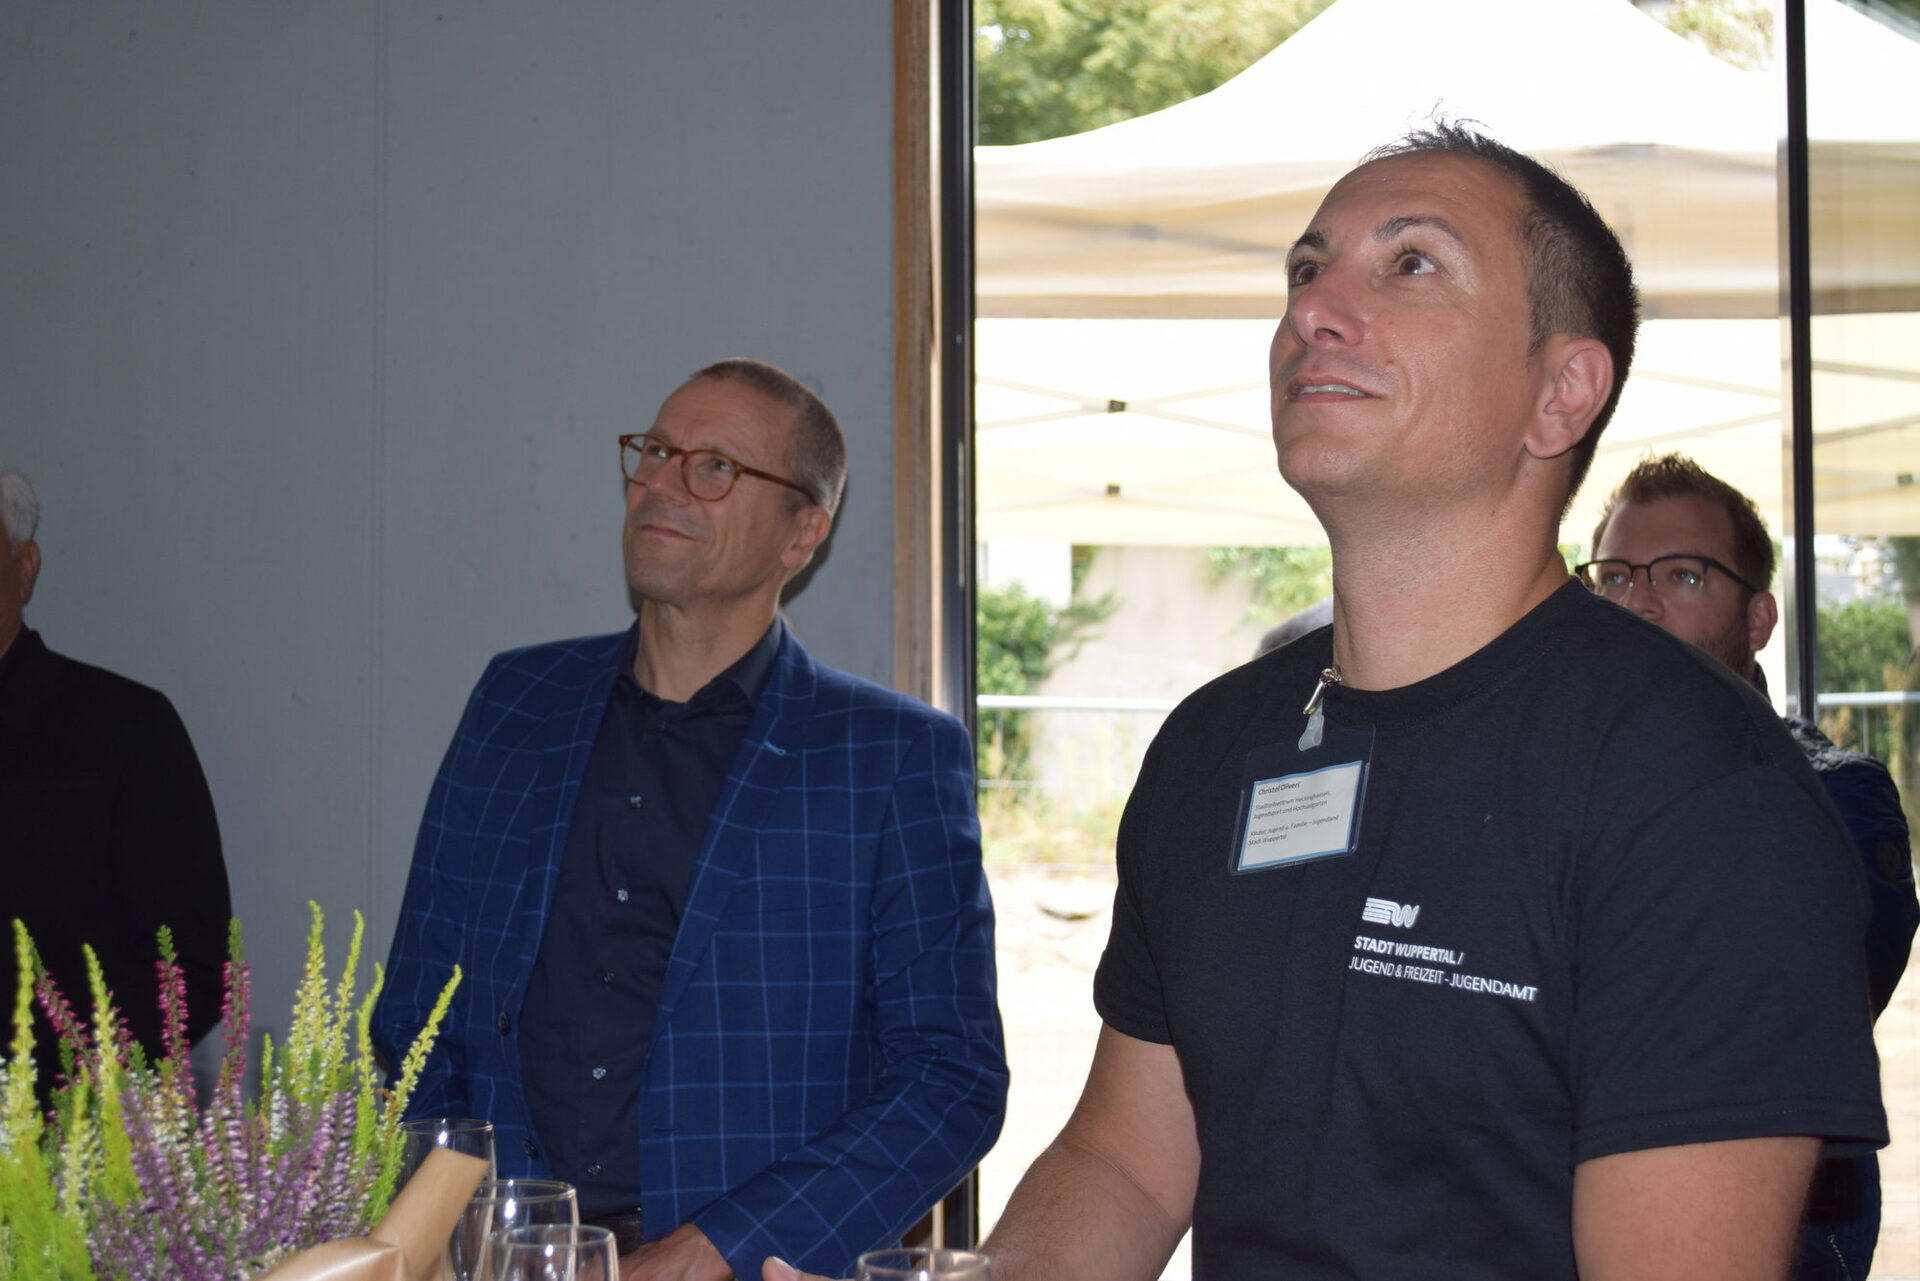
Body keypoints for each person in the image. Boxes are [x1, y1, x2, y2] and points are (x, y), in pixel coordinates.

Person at [769, 126, 1888, 1281]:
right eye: (1306, 269)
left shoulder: (1704, 789)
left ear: (1560, 395)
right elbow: (1128, 1164)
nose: (1313, 309)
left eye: (1412, 264)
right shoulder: (1215, 747)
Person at [372, 359, 1007, 1281]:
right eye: (656, 452)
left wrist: (716, 1249)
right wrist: (451, 1233)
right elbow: (417, 1017)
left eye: (715, 467)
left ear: (803, 532)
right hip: (507, 1257)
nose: (661, 484)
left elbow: (951, 1078)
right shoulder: (516, 703)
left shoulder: (891, 756)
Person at [1586, 452, 1917, 1280]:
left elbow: (1768, 1019)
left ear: (1760, 617)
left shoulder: (1835, 795)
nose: (1639, 602)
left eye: (1683, 575)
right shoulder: (1553, 785)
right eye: (1615, 576)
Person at [0, 463, 232, 1100]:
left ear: (25, 566)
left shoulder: (124, 729)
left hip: (67, 1134)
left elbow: (190, 967)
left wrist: (68, 1097)